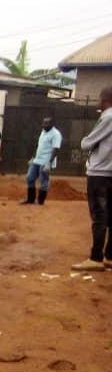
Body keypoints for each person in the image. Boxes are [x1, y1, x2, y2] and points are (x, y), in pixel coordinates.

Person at [72, 86, 112, 271]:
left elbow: (86, 144)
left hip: (99, 173)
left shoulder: (108, 117)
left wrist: (85, 140)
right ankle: (109, 257)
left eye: (99, 99)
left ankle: (95, 258)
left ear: (105, 100)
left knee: (99, 216)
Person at [19, 116, 62, 205]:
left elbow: (56, 149)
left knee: (43, 180)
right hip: (37, 160)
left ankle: (40, 201)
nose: (43, 125)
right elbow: (39, 146)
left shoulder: (56, 134)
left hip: (46, 161)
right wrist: (33, 157)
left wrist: (49, 163)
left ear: (52, 124)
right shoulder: (43, 131)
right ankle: (30, 199)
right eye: (43, 123)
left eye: (46, 123)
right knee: (29, 177)